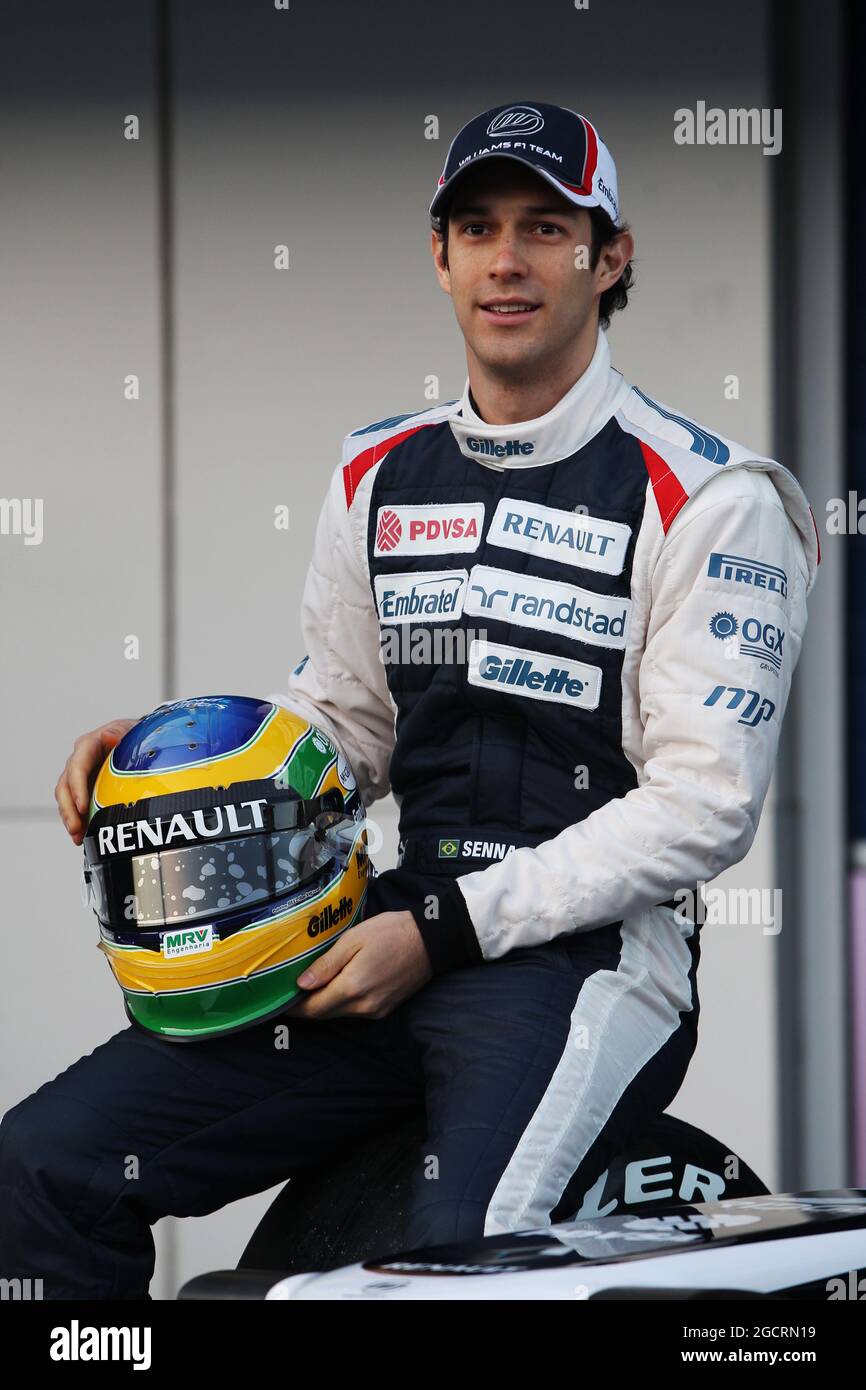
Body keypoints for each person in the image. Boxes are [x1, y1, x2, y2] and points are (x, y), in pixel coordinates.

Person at [0, 99, 818, 1298]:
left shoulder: (709, 496)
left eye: (547, 227)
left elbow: (703, 807)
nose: (507, 259)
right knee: (42, 1166)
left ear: (611, 256)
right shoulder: (376, 469)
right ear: (437, 254)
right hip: (382, 933)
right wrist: (173, 753)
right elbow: (344, 729)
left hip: (584, 966)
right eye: (477, 227)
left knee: (440, 1279)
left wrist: (442, 933)